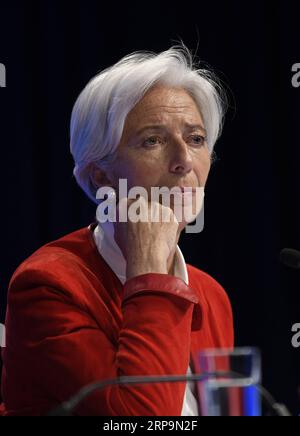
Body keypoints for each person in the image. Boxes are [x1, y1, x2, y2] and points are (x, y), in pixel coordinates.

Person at [0, 44, 234, 416]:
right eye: (153, 140)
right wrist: (151, 274)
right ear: (101, 176)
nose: (184, 161)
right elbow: (141, 420)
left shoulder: (211, 294)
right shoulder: (48, 285)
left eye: (195, 139)